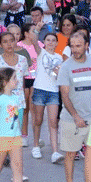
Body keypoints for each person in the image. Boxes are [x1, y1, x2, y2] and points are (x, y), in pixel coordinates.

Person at [57, 32, 91, 182]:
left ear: (86, 46)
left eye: (78, 46)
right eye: (72, 46)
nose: (75, 49)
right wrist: (76, 116)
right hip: (71, 120)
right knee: (70, 153)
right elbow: (64, 95)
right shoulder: (66, 67)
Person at [31, 33, 64, 162]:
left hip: (53, 92)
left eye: (53, 40)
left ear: (57, 43)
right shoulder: (41, 53)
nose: (50, 42)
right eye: (48, 40)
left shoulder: (60, 58)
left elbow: (61, 76)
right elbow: (34, 41)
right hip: (39, 89)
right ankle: (35, 146)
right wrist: (37, 30)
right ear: (44, 42)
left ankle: (55, 151)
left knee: (53, 121)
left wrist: (58, 72)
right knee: (38, 119)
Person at [17, 23, 43, 147]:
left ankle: (36, 138)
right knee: (25, 108)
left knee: (34, 108)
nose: (35, 33)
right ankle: (24, 135)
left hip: (36, 78)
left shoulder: (39, 45)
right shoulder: (19, 46)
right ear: (26, 33)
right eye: (33, 30)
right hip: (24, 79)